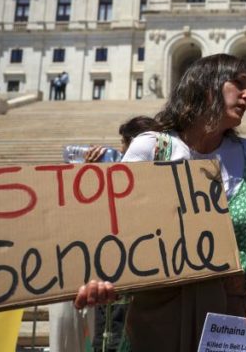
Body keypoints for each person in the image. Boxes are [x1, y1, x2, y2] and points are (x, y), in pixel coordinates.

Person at [74, 54, 246, 352]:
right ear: (207, 87)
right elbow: (114, 228)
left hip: (231, 316)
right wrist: (99, 278)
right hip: (159, 317)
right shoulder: (151, 149)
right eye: (239, 84)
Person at [82, 115, 161, 352]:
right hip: (122, 273)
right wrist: (91, 174)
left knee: (115, 336)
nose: (121, 151)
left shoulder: (149, 180)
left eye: (124, 144)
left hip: (129, 275)